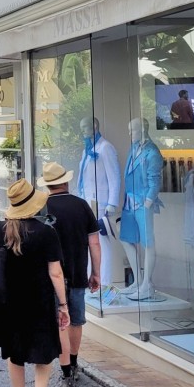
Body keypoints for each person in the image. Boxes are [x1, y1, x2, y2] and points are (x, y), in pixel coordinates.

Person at [0, 178, 70, 387]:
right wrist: (63, 305)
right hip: (39, 301)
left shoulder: (1, 230)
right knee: (44, 352)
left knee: (15, 355)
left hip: (9, 303)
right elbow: (56, 273)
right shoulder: (46, 233)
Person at [39, 162, 100, 387]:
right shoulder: (81, 205)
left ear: (48, 185)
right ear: (66, 181)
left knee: (59, 323)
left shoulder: (42, 207)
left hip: (50, 276)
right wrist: (96, 272)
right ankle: (73, 364)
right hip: (77, 272)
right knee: (75, 320)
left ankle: (65, 374)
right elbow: (94, 242)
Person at [119, 118, 165, 301]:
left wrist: (146, 203)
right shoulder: (134, 149)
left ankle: (147, 284)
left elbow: (155, 181)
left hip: (142, 203)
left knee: (148, 243)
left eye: (133, 130)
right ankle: (138, 281)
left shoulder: (152, 153)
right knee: (126, 238)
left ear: (143, 130)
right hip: (130, 202)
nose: (130, 134)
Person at [76, 117, 121, 286]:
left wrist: (112, 202)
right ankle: (92, 279)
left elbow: (114, 176)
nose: (82, 131)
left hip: (100, 203)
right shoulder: (87, 149)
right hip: (87, 202)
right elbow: (83, 178)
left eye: (85, 127)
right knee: (89, 243)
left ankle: (105, 281)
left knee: (102, 241)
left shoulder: (105, 148)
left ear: (94, 127)